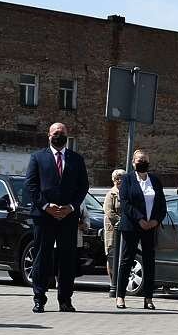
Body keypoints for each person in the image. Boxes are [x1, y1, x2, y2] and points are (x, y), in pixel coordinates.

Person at [24, 122, 90, 314]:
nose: (58, 135)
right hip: (44, 216)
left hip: (68, 216)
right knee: (42, 257)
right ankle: (39, 299)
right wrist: (46, 206)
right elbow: (31, 185)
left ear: (67, 135)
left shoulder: (76, 159)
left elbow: (82, 186)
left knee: (67, 259)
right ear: (49, 135)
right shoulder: (37, 157)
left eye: (62, 133)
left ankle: (65, 300)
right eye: (55, 133)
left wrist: (70, 207)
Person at [115, 149, 167, 310]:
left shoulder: (155, 180)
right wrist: (140, 219)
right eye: (139, 159)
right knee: (127, 260)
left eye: (144, 159)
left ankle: (148, 298)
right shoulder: (128, 179)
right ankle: (120, 296)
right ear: (133, 162)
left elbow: (162, 204)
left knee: (149, 261)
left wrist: (155, 221)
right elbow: (125, 203)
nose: (142, 162)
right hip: (132, 226)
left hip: (151, 227)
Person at [102, 169, 124, 297]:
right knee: (112, 257)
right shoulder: (111, 194)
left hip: (124, 230)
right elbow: (109, 212)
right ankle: (112, 284)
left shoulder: (126, 193)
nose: (119, 180)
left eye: (121, 178)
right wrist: (122, 220)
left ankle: (120, 283)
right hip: (113, 230)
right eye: (117, 178)